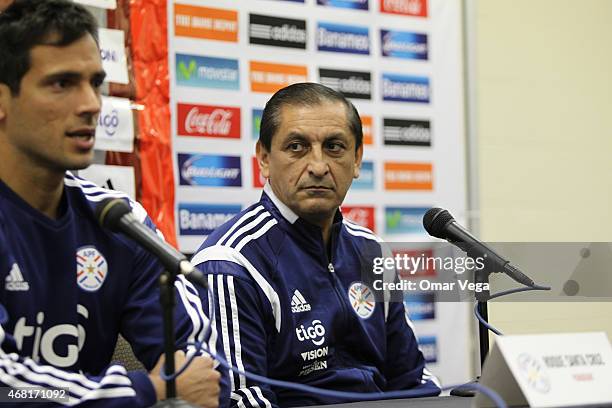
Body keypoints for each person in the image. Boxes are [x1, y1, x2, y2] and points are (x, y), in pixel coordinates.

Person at [0, 1, 225, 406]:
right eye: (62, 83)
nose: (90, 104)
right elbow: (6, 387)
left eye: (95, 82)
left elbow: (201, 366)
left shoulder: (117, 221)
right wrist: (149, 390)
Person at [191, 82, 441, 407]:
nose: (319, 166)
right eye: (297, 147)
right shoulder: (230, 262)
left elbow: (411, 380)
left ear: (356, 160)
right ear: (264, 159)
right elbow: (243, 400)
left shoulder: (372, 251)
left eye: (335, 147)